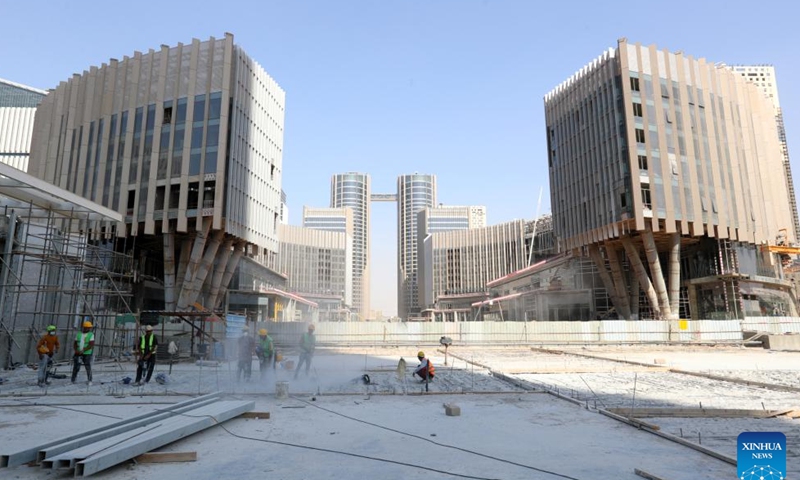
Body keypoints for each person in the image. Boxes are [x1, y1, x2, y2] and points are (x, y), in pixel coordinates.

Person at [71, 321, 95, 385]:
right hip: (78, 352)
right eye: (87, 327)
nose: (88, 329)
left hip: (87, 353)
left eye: (89, 328)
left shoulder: (91, 334)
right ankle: (73, 379)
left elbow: (91, 345)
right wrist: (76, 350)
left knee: (87, 366)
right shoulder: (79, 334)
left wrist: (84, 350)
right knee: (76, 366)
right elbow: (75, 343)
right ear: (84, 327)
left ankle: (90, 380)